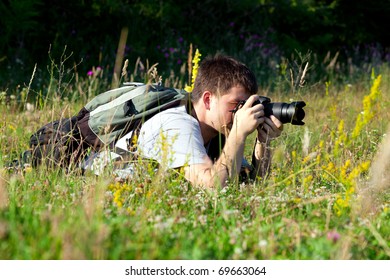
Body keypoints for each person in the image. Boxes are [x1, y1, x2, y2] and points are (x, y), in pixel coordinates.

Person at [133, 54, 283, 188]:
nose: (243, 112)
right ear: (208, 100)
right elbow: (213, 186)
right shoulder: (178, 124)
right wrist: (237, 134)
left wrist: (264, 141)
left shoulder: (218, 131)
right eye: (238, 104)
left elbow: (251, 184)